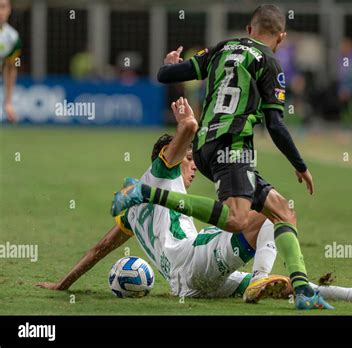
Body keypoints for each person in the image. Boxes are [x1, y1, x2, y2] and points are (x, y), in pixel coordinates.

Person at [37, 97, 352, 307]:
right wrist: (185, 113)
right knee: (272, 214)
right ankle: (259, 279)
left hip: (187, 285)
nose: (192, 167)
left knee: (293, 286)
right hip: (193, 259)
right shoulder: (160, 173)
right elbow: (188, 129)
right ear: (168, 157)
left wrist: (61, 284)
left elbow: (100, 248)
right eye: (187, 160)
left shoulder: (132, 215)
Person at [111, 4, 328, 310]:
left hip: (204, 145)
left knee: (282, 211)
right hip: (233, 145)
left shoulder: (221, 48)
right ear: (281, 36)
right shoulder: (269, 62)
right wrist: (300, 165)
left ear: (250, 30)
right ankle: (147, 192)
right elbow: (276, 124)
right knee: (238, 219)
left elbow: (165, 75)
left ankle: (303, 290)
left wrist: (172, 63)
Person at [0, 0, 21, 123]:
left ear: (9, 10)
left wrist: (8, 102)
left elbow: (11, 68)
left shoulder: (13, 38)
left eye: (3, 7)